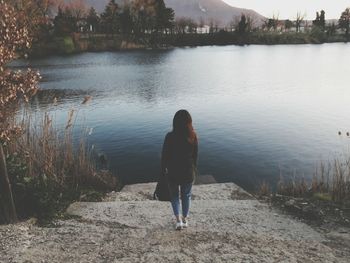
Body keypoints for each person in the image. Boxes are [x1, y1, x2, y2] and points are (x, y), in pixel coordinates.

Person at [161, 110, 198, 230]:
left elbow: (164, 156)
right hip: (188, 172)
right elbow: (195, 157)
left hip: (173, 172)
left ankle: (178, 221)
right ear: (189, 123)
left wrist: (163, 170)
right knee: (186, 195)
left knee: (175, 196)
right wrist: (194, 170)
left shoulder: (169, 136)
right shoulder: (193, 136)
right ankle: (185, 219)